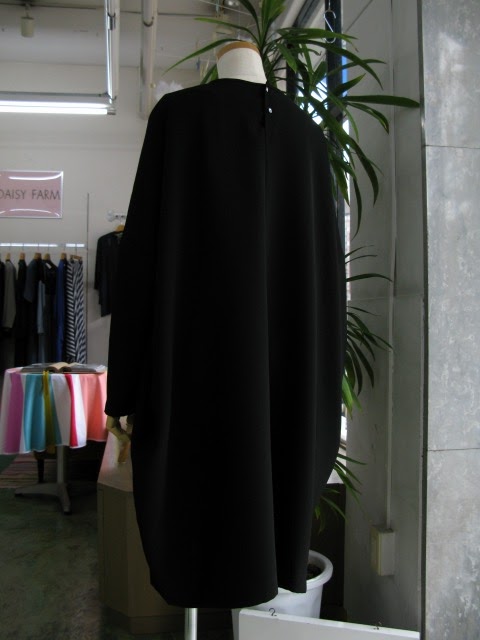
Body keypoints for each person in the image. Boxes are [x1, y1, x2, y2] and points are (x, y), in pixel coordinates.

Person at [105, 40, 346, 610]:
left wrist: (125, 391)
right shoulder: (309, 139)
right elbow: (326, 287)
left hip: (191, 372)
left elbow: (140, 262)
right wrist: (322, 392)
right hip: (285, 382)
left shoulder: (178, 118)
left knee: (191, 510)